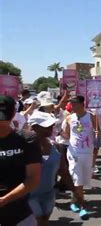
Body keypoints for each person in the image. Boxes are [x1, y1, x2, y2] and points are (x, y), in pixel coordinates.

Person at [27, 111, 74, 226]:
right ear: (34, 127)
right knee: (37, 221)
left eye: (51, 125)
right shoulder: (25, 148)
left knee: (44, 221)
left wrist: (75, 191)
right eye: (47, 126)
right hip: (29, 195)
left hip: (49, 194)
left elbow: (63, 172)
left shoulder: (56, 147)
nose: (51, 127)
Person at [0, 95, 42, 226]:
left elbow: (33, 179)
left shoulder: (27, 140)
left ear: (13, 115)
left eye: (3, 117)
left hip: (20, 215)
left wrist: (4, 200)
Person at [63, 95, 99, 220]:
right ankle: (83, 207)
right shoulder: (69, 118)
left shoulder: (92, 117)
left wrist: (95, 153)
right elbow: (67, 135)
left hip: (87, 153)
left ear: (81, 104)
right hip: (74, 153)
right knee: (78, 179)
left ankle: (73, 201)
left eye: (74, 103)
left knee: (82, 181)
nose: (71, 106)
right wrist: (57, 132)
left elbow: (97, 133)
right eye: (71, 104)